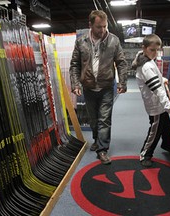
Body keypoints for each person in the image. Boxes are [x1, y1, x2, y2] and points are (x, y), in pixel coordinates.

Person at [69, 10, 127, 165]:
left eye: (104, 26)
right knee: (93, 120)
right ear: (90, 25)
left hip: (107, 86)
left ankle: (102, 150)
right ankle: (97, 139)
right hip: (88, 87)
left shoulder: (113, 41)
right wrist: (75, 84)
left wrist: (122, 82)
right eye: (98, 27)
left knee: (104, 119)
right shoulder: (81, 42)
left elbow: (121, 62)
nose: (102, 30)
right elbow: (74, 64)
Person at [132, 34, 170, 167]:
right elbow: (158, 91)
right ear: (144, 48)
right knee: (155, 130)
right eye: (152, 50)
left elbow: (154, 79)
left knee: (165, 126)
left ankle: (168, 145)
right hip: (155, 105)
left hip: (158, 103)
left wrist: (161, 79)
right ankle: (145, 154)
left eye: (157, 50)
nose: (155, 53)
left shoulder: (146, 59)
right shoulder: (146, 66)